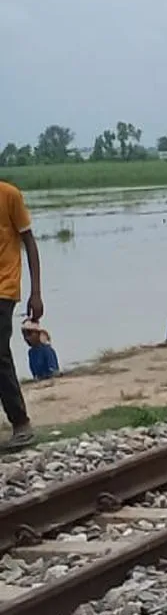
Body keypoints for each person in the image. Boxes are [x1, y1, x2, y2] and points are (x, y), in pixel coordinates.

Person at [0, 179, 44, 448]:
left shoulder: (9, 195)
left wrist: (36, 292)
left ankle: (21, 423)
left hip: (4, 288)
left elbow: (29, 243)